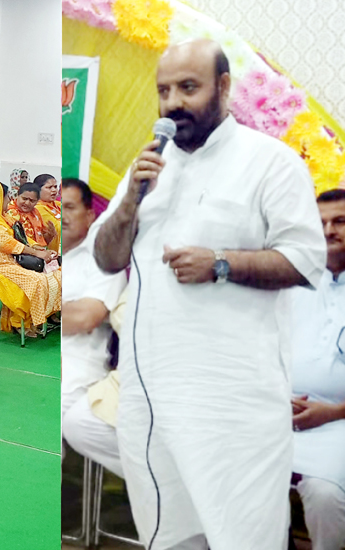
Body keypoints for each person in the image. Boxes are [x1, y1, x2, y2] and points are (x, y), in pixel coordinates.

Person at [90, 39, 327, 549]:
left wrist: (221, 263)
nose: (173, 102)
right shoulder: (151, 166)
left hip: (231, 402)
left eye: (188, 87)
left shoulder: (272, 163)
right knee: (168, 534)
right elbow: (107, 258)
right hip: (149, 396)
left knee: (242, 535)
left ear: (223, 87)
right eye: (164, 91)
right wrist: (131, 199)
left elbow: (306, 260)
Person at [284, 189, 345, 550]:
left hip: (340, 423)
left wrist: (333, 412)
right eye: (320, 223)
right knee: (239, 474)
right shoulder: (293, 279)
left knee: (324, 493)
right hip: (283, 416)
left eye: (339, 221)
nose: (328, 230)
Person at [59, 179, 125, 477]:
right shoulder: (50, 257)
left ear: (90, 215)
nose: (63, 214)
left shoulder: (101, 261)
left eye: (70, 207)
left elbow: (87, 317)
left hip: (79, 371)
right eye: (58, 207)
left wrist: (44, 310)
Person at [0, 182, 60, 337]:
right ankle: (19, 322)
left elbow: (20, 238)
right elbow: (6, 244)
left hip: (8, 263)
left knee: (45, 278)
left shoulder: (1, 216)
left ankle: (28, 321)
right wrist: (38, 254)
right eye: (6, 197)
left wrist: (40, 249)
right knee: (33, 281)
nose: (8, 201)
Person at [4, 181, 56, 250]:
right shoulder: (10, 212)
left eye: (32, 201)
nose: (27, 203)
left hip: (38, 252)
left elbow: (42, 240)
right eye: (24, 199)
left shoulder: (35, 213)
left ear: (37, 201)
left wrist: (50, 235)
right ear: (17, 195)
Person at [35, 174, 61, 253]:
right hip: (52, 253)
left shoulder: (57, 204)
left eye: (55, 187)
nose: (54, 190)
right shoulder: (38, 208)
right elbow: (58, 227)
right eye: (49, 187)